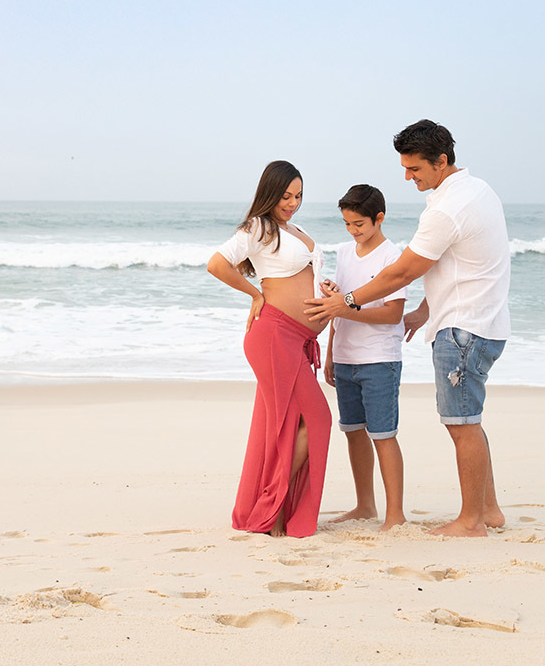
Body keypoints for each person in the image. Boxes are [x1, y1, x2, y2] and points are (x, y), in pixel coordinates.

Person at [306, 120, 511, 537]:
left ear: (441, 161)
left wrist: (347, 300)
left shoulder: (446, 208)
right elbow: (462, 266)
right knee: (469, 419)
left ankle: (470, 521)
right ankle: (489, 511)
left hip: (463, 330)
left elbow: (402, 272)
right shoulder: (479, 191)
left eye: (415, 169)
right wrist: (422, 312)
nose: (407, 177)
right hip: (480, 321)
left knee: (462, 424)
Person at [207, 160, 332, 538]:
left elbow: (299, 278)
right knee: (315, 421)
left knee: (286, 425)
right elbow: (217, 264)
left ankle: (271, 507)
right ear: (269, 194)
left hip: (297, 337)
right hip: (274, 336)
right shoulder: (259, 227)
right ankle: (271, 507)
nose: (292, 203)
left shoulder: (295, 229)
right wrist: (255, 294)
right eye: (285, 197)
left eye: (298, 196)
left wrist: (327, 296)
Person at [321, 184, 407, 531]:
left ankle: (396, 514)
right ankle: (365, 505)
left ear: (379, 218)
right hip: (344, 358)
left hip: (379, 358)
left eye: (358, 223)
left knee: (383, 434)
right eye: (346, 223)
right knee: (353, 432)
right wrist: (330, 355)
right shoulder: (343, 252)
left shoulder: (393, 256)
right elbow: (336, 308)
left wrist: (346, 307)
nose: (353, 230)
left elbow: (392, 314)